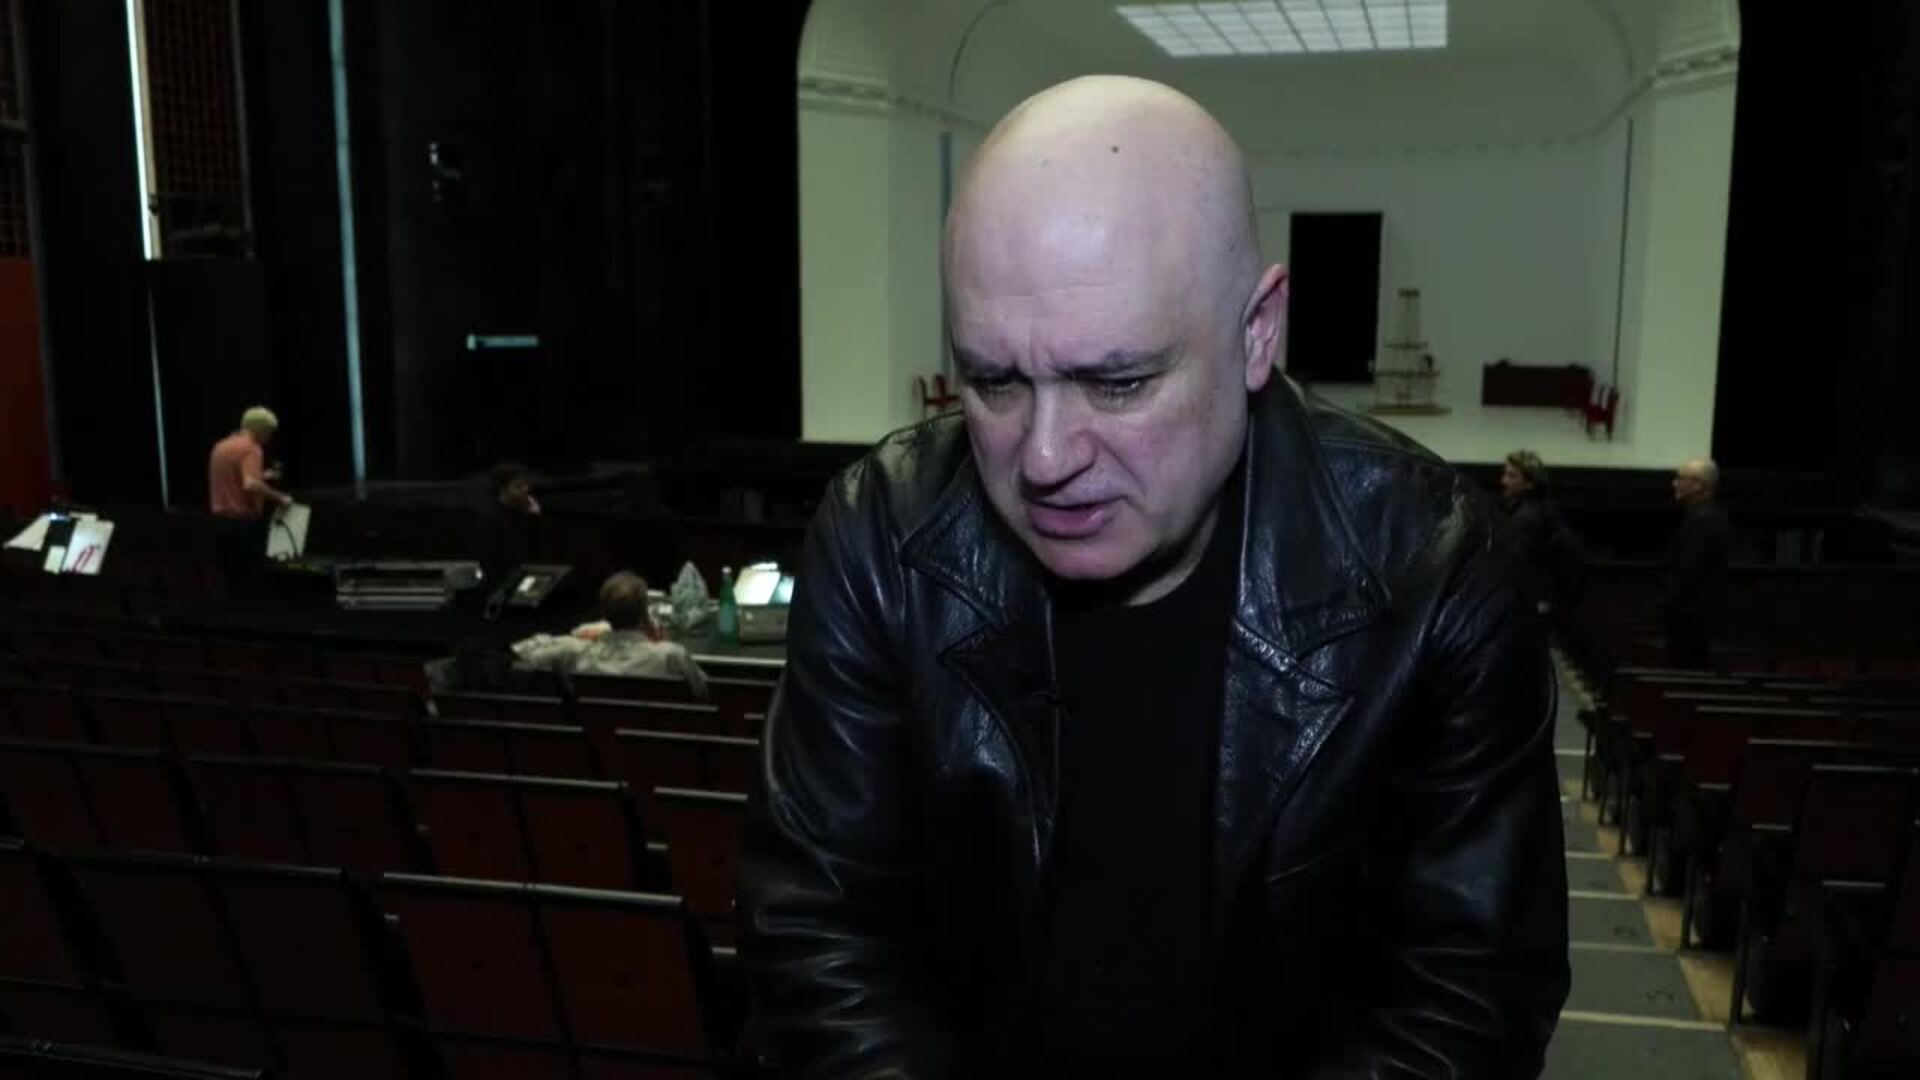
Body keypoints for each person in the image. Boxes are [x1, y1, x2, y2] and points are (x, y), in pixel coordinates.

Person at [737, 76, 1568, 1077]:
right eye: (994, 381)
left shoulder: (1438, 569)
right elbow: (816, 934)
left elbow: (1471, 997)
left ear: (1257, 333)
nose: (1046, 458)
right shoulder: (878, 534)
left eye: (1119, 381)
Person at [510, 571, 709, 697]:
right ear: (644, 613)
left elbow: (521, 653)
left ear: (604, 614)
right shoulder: (670, 655)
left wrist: (575, 638)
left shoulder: (574, 652)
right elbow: (704, 691)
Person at [207, 406, 292, 586]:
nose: (269, 438)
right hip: (243, 526)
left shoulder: (220, 446)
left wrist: (262, 476)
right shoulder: (251, 448)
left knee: (230, 582)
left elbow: (233, 479)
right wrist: (280, 497)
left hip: (219, 525)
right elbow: (250, 484)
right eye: (269, 433)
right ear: (261, 430)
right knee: (251, 582)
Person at [1660, 457, 1729, 669]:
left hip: (1690, 625)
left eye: (1680, 478)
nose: (1674, 483)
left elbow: (1687, 575)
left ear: (1699, 485)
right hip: (1696, 621)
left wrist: (1667, 604)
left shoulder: (1702, 522)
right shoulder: (1708, 517)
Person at [1500, 449, 1576, 612]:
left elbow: (1518, 566)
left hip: (1532, 602)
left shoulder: (1526, 518)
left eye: (1512, 476)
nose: (1504, 481)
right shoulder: (1546, 508)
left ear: (1530, 483)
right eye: (1505, 474)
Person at [478, 461, 541, 582]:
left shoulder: (524, 512)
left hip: (523, 576)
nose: (525, 489)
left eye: (526, 484)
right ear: (502, 488)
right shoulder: (490, 517)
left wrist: (534, 519)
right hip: (500, 580)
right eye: (518, 486)